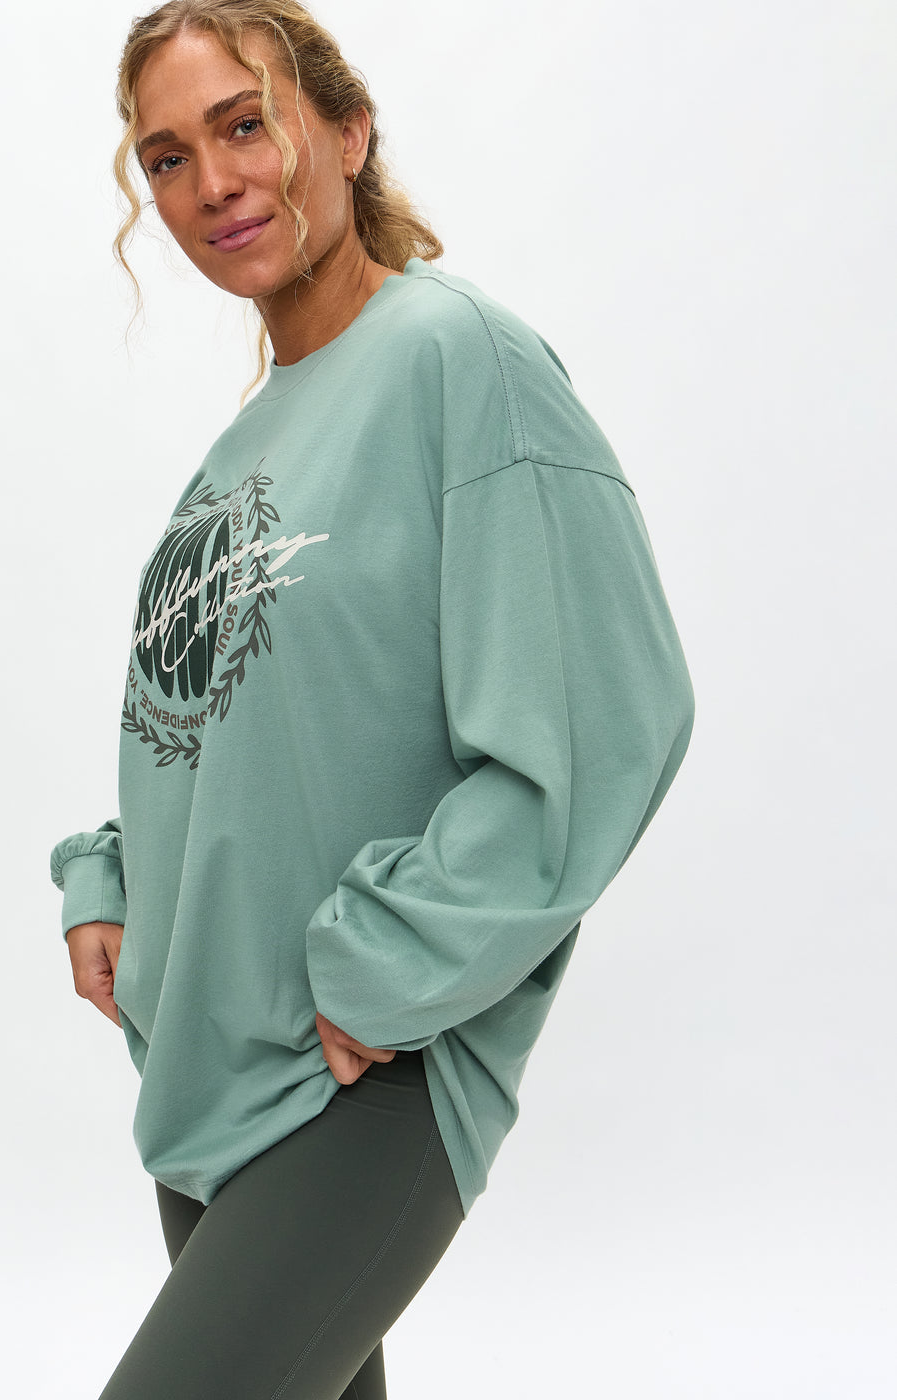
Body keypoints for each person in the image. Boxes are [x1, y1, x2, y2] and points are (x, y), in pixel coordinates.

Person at [49, 2, 695, 1395]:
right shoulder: (253, 433)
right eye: (167, 156)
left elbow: (609, 717)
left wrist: (390, 965)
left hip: (360, 1073)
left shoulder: (464, 361)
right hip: (210, 1076)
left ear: (346, 131)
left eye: (245, 124)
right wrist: (112, 878)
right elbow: (236, 718)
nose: (212, 182)